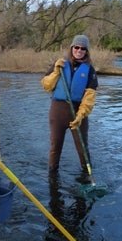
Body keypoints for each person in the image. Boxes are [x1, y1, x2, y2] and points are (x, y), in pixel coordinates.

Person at [41, 35, 98, 174]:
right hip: (58, 111)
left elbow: (89, 97)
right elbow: (46, 85)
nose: (79, 50)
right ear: (72, 48)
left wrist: (81, 115)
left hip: (78, 112)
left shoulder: (89, 70)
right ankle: (52, 174)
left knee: (82, 147)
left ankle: (87, 174)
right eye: (76, 47)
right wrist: (55, 72)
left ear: (86, 51)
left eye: (83, 48)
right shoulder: (59, 64)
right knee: (55, 146)